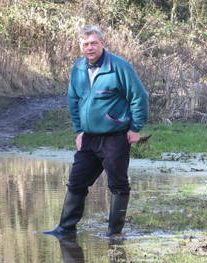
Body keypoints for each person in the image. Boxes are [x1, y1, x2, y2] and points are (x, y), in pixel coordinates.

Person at [43, 25, 148, 237]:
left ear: (102, 43)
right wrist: (79, 131)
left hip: (115, 137)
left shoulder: (119, 67)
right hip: (89, 138)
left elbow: (140, 97)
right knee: (76, 180)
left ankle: (114, 232)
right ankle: (65, 228)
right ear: (80, 46)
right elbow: (74, 101)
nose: (89, 47)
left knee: (118, 183)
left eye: (93, 43)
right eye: (85, 44)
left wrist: (135, 128)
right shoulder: (78, 68)